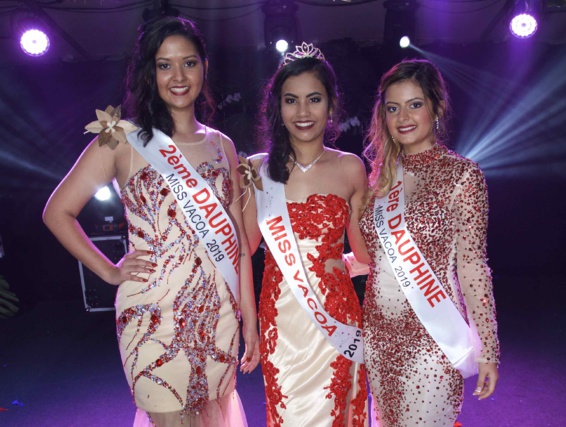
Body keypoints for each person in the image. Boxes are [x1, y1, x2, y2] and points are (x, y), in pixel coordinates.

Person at [43, 16, 259, 426]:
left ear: (204, 67)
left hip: (220, 318)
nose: (178, 76)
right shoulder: (122, 139)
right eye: (164, 65)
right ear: (149, 71)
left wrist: (250, 315)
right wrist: (108, 271)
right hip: (152, 317)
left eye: (189, 63)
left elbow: (235, 244)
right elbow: (58, 212)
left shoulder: (222, 146)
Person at [359, 59, 500, 426]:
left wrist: (489, 349)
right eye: (393, 108)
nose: (403, 116)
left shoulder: (462, 175)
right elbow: (377, 257)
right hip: (379, 333)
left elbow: (472, 265)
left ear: (436, 108)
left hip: (434, 336)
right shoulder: (377, 180)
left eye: (415, 104)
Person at [240, 43, 369, 426]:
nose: (302, 112)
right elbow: (243, 250)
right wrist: (249, 325)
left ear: (331, 105)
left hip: (338, 319)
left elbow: (364, 251)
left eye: (314, 99)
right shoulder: (255, 169)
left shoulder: (350, 168)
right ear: (277, 108)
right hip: (282, 320)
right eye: (291, 100)